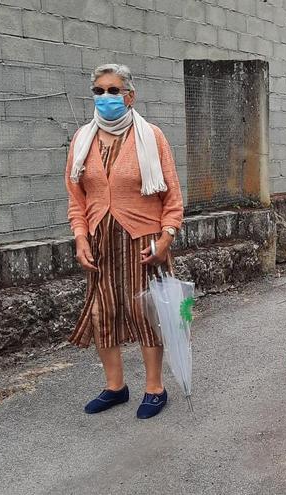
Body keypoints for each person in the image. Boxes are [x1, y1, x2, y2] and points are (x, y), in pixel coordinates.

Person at [65, 64, 183, 419]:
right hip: (100, 238)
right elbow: (77, 199)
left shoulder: (152, 137)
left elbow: (173, 197)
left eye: (113, 91)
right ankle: (115, 387)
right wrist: (80, 236)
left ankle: (154, 388)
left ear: (130, 96)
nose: (105, 98)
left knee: (145, 311)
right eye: (99, 91)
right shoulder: (82, 139)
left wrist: (167, 237)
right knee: (104, 312)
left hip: (143, 238)